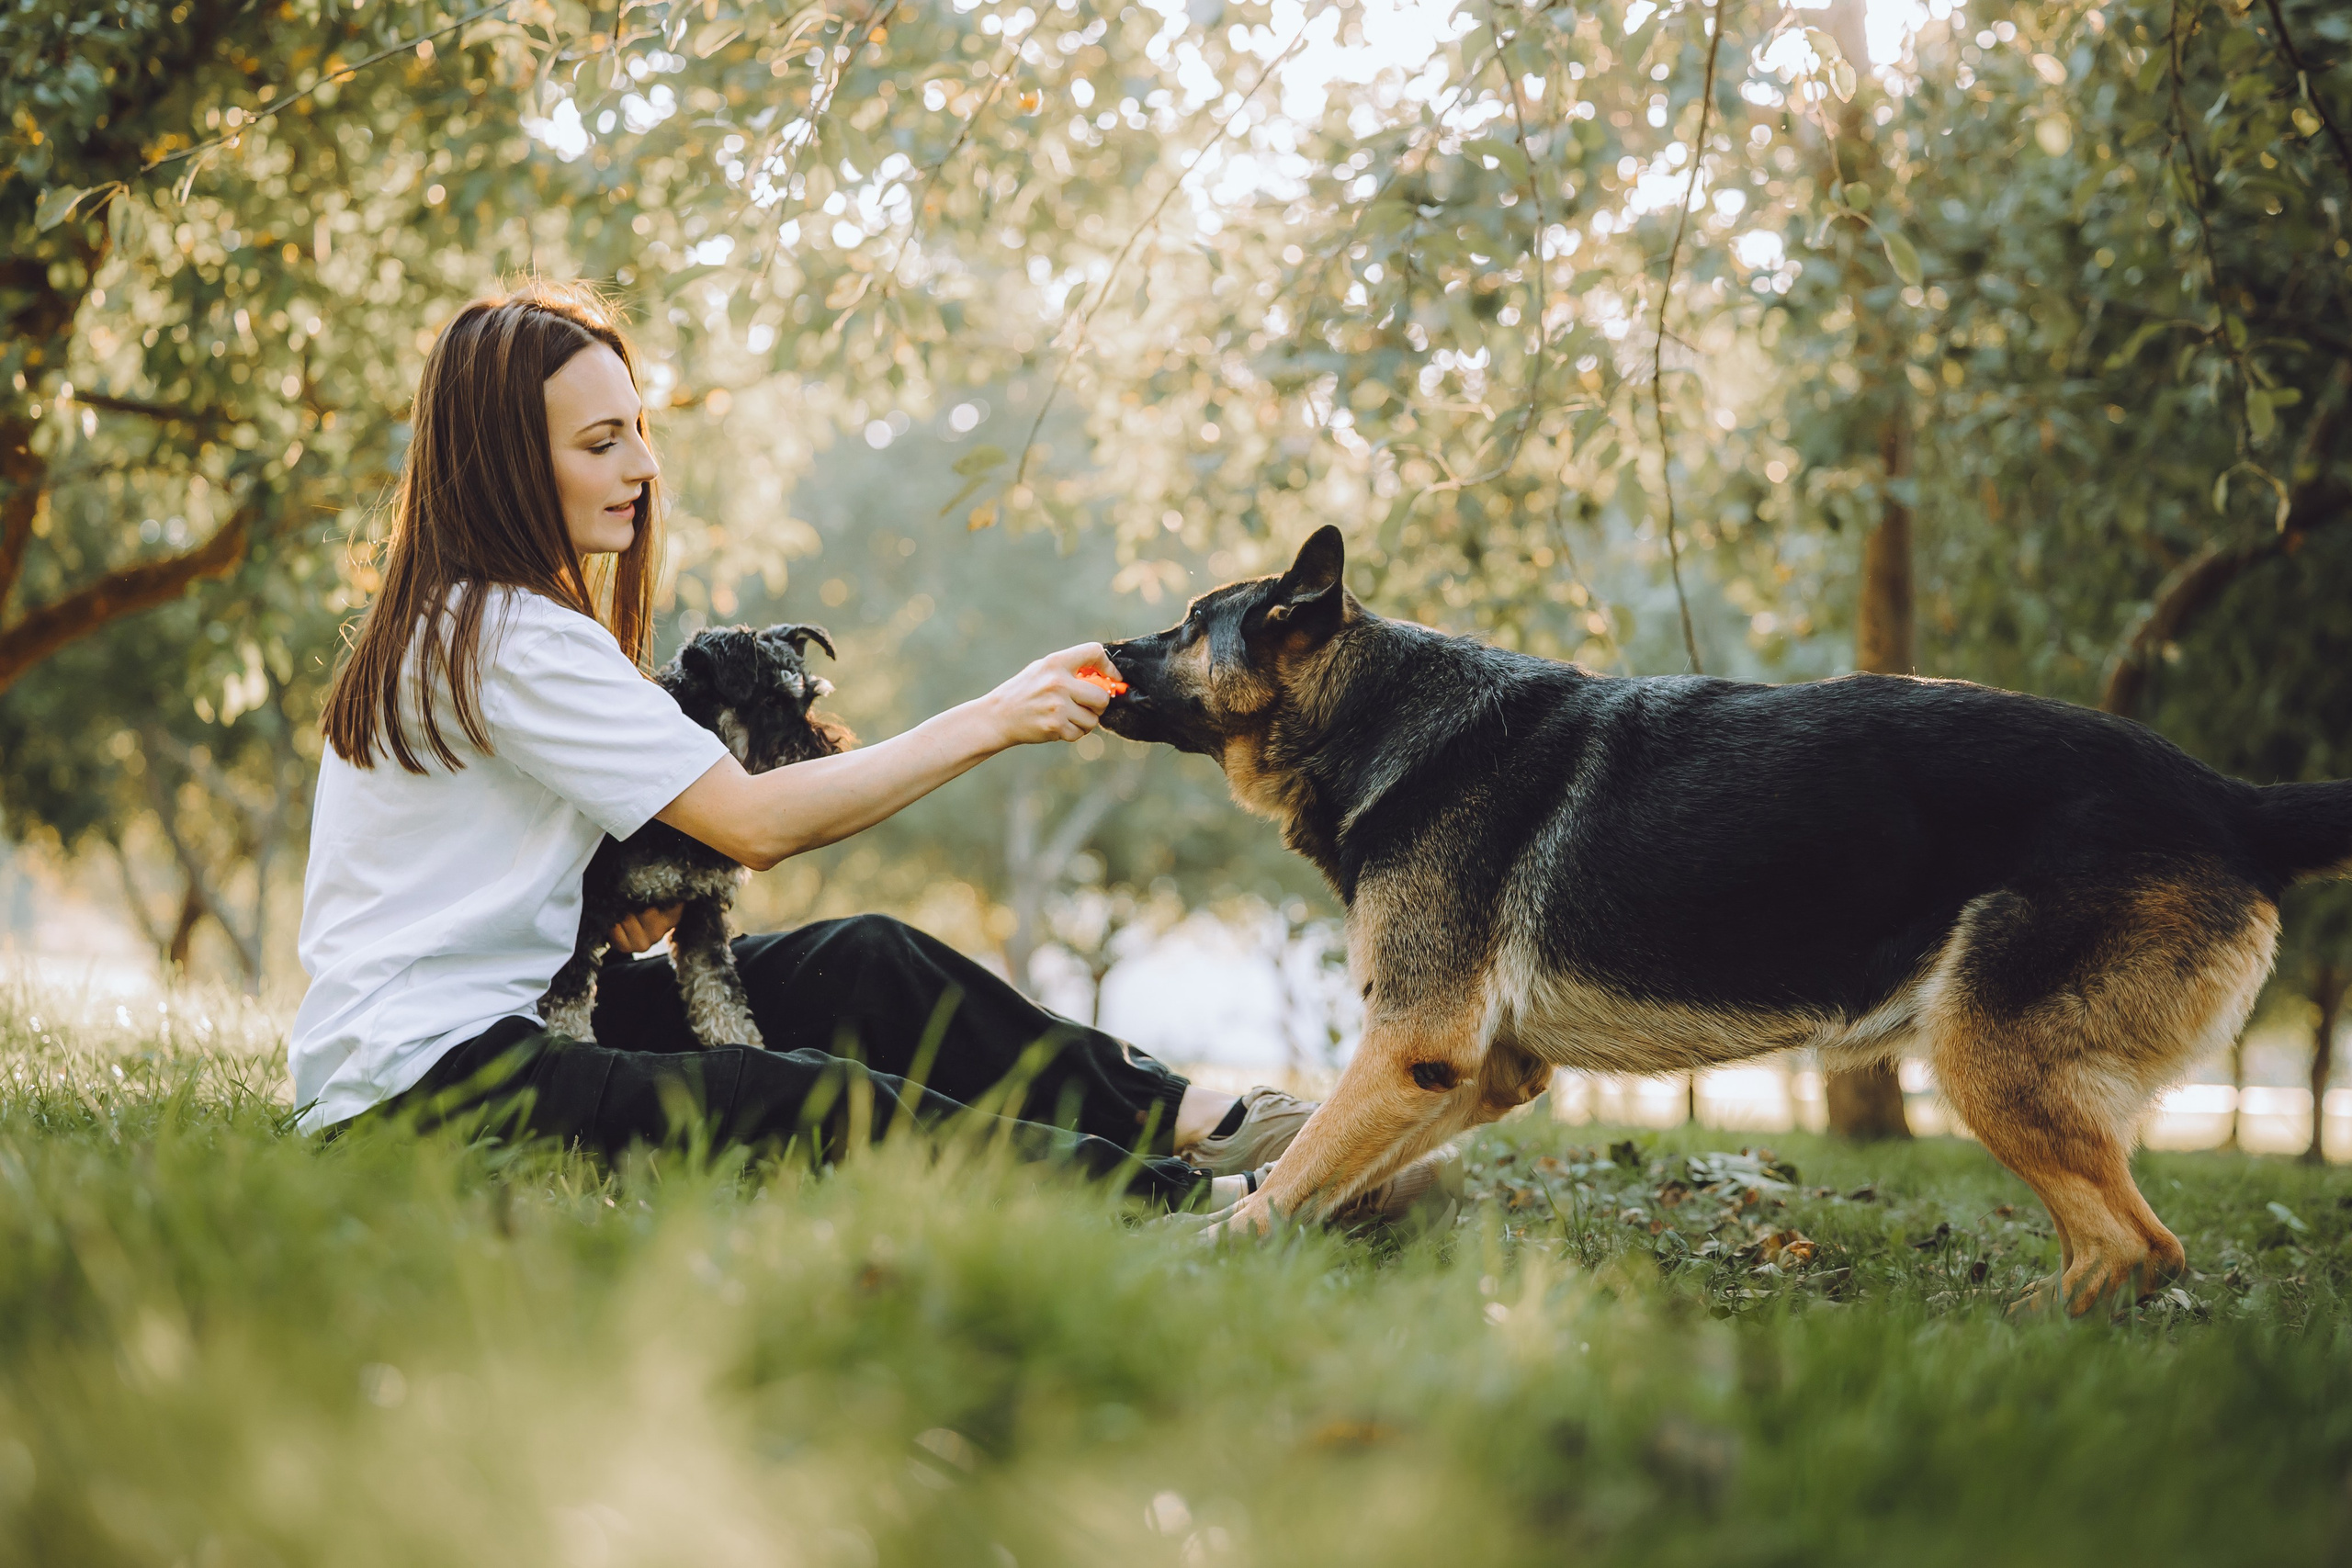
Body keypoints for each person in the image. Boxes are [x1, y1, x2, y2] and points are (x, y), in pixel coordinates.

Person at [289, 279, 1375, 1214]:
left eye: (638, 428)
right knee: (793, 1097)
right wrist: (996, 715)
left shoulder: (483, 622)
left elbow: (529, 878)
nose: (643, 465)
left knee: (859, 961)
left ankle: (1219, 1122)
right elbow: (751, 825)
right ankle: (1196, 1207)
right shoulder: (504, 634)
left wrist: (626, 907)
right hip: (419, 1084)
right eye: (599, 442)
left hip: (510, 1020)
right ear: (506, 466)